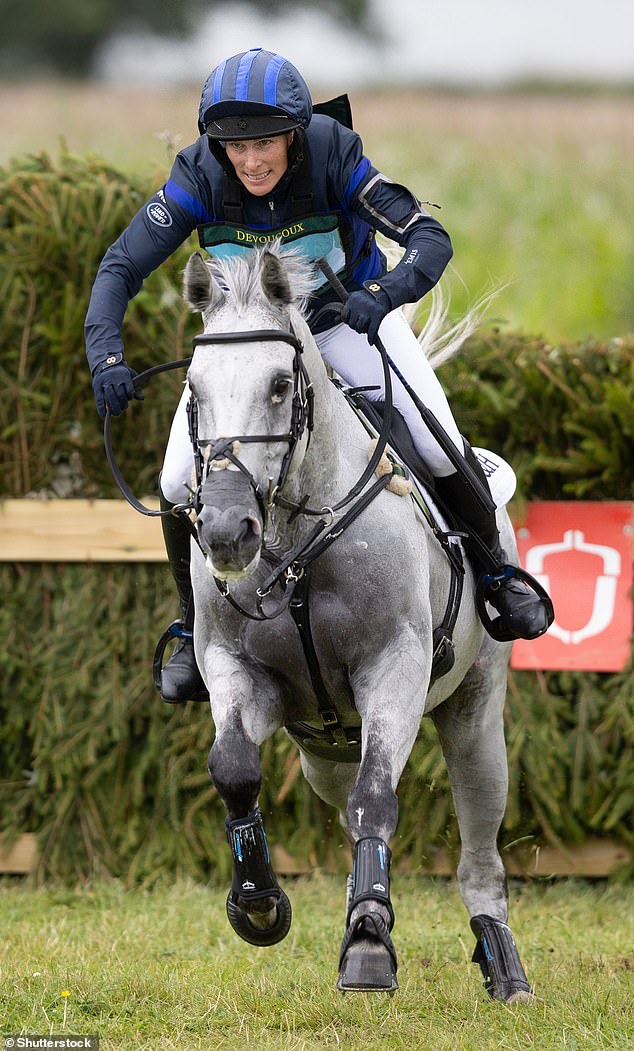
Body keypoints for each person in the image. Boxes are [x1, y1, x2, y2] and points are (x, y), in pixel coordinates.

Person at [85, 48, 551, 703]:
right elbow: (119, 269)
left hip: (345, 323)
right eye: (234, 146)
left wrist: (385, 293)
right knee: (172, 477)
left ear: (296, 134)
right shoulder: (195, 174)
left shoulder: (334, 152)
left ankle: (498, 575)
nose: (250, 161)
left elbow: (428, 236)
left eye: (266, 142)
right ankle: (194, 629)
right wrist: (105, 356)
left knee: (430, 431)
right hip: (248, 345)